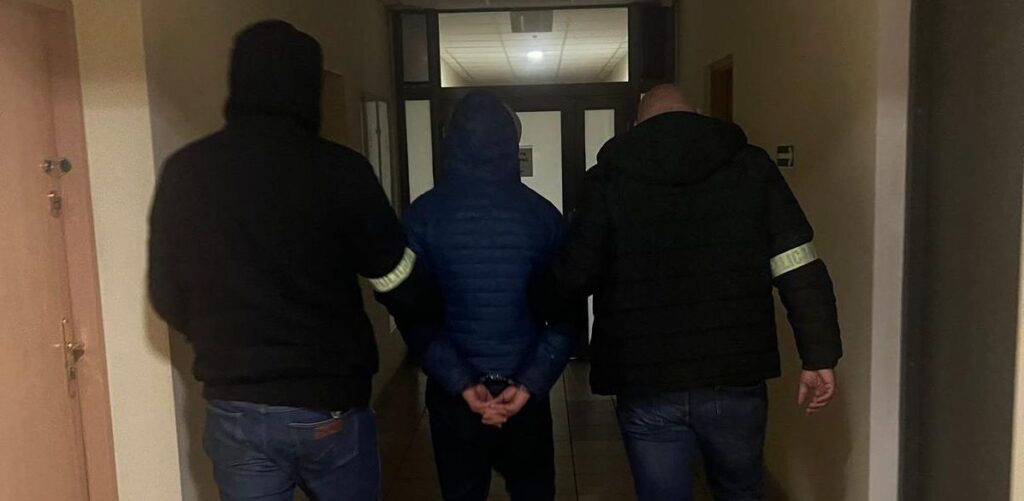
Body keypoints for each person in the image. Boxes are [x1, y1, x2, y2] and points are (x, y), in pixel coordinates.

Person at [148, 21, 437, 501]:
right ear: (308, 88)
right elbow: (396, 277)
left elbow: (165, 294)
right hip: (329, 404)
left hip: (236, 405)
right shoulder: (340, 170)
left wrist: (223, 339)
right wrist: (430, 318)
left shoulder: (187, 171)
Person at [550, 84, 843, 500]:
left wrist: (530, 313)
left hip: (645, 377)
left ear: (635, 124)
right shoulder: (752, 168)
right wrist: (819, 354)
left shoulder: (607, 178)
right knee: (739, 492)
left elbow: (576, 274)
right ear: (700, 115)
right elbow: (797, 263)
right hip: (735, 371)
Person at [401, 91, 573, 501]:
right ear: (512, 142)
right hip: (524, 392)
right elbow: (566, 316)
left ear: (450, 140)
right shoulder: (543, 216)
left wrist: (463, 384)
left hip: (454, 399)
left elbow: (413, 315)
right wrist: (528, 384)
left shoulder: (422, 216)